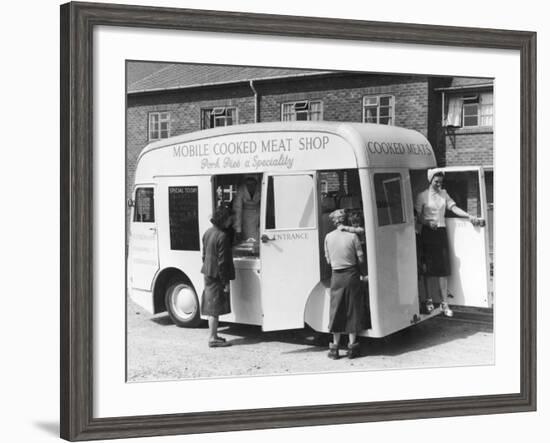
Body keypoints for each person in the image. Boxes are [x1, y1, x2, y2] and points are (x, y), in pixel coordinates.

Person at [415, 170, 480, 317]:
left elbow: (454, 208)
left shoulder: (444, 193)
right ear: (430, 180)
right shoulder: (422, 196)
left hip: (441, 232)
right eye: (436, 181)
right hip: (428, 233)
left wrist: (469, 216)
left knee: (443, 268)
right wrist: (427, 222)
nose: (439, 184)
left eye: (440, 182)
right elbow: (418, 218)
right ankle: (429, 300)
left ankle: (445, 303)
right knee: (428, 268)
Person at [324, 209, 368, 359]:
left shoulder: (328, 237)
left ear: (334, 221)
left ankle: (334, 348)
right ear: (345, 221)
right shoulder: (353, 236)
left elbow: (328, 260)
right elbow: (361, 259)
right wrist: (363, 273)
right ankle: (352, 347)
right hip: (352, 275)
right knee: (352, 309)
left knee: (336, 310)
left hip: (336, 275)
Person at [200, 206, 236, 348]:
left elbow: (204, 255)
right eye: (229, 219)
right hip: (216, 274)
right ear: (224, 220)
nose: (231, 222)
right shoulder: (222, 236)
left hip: (208, 271)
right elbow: (223, 262)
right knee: (214, 307)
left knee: (211, 305)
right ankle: (212, 338)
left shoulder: (208, 232)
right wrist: (225, 282)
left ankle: (214, 335)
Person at [233, 175, 261, 243]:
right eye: (248, 184)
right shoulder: (241, 190)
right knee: (248, 239)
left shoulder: (260, 188)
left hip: (258, 215)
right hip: (245, 218)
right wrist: (238, 229)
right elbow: (238, 209)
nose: (251, 186)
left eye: (253, 183)